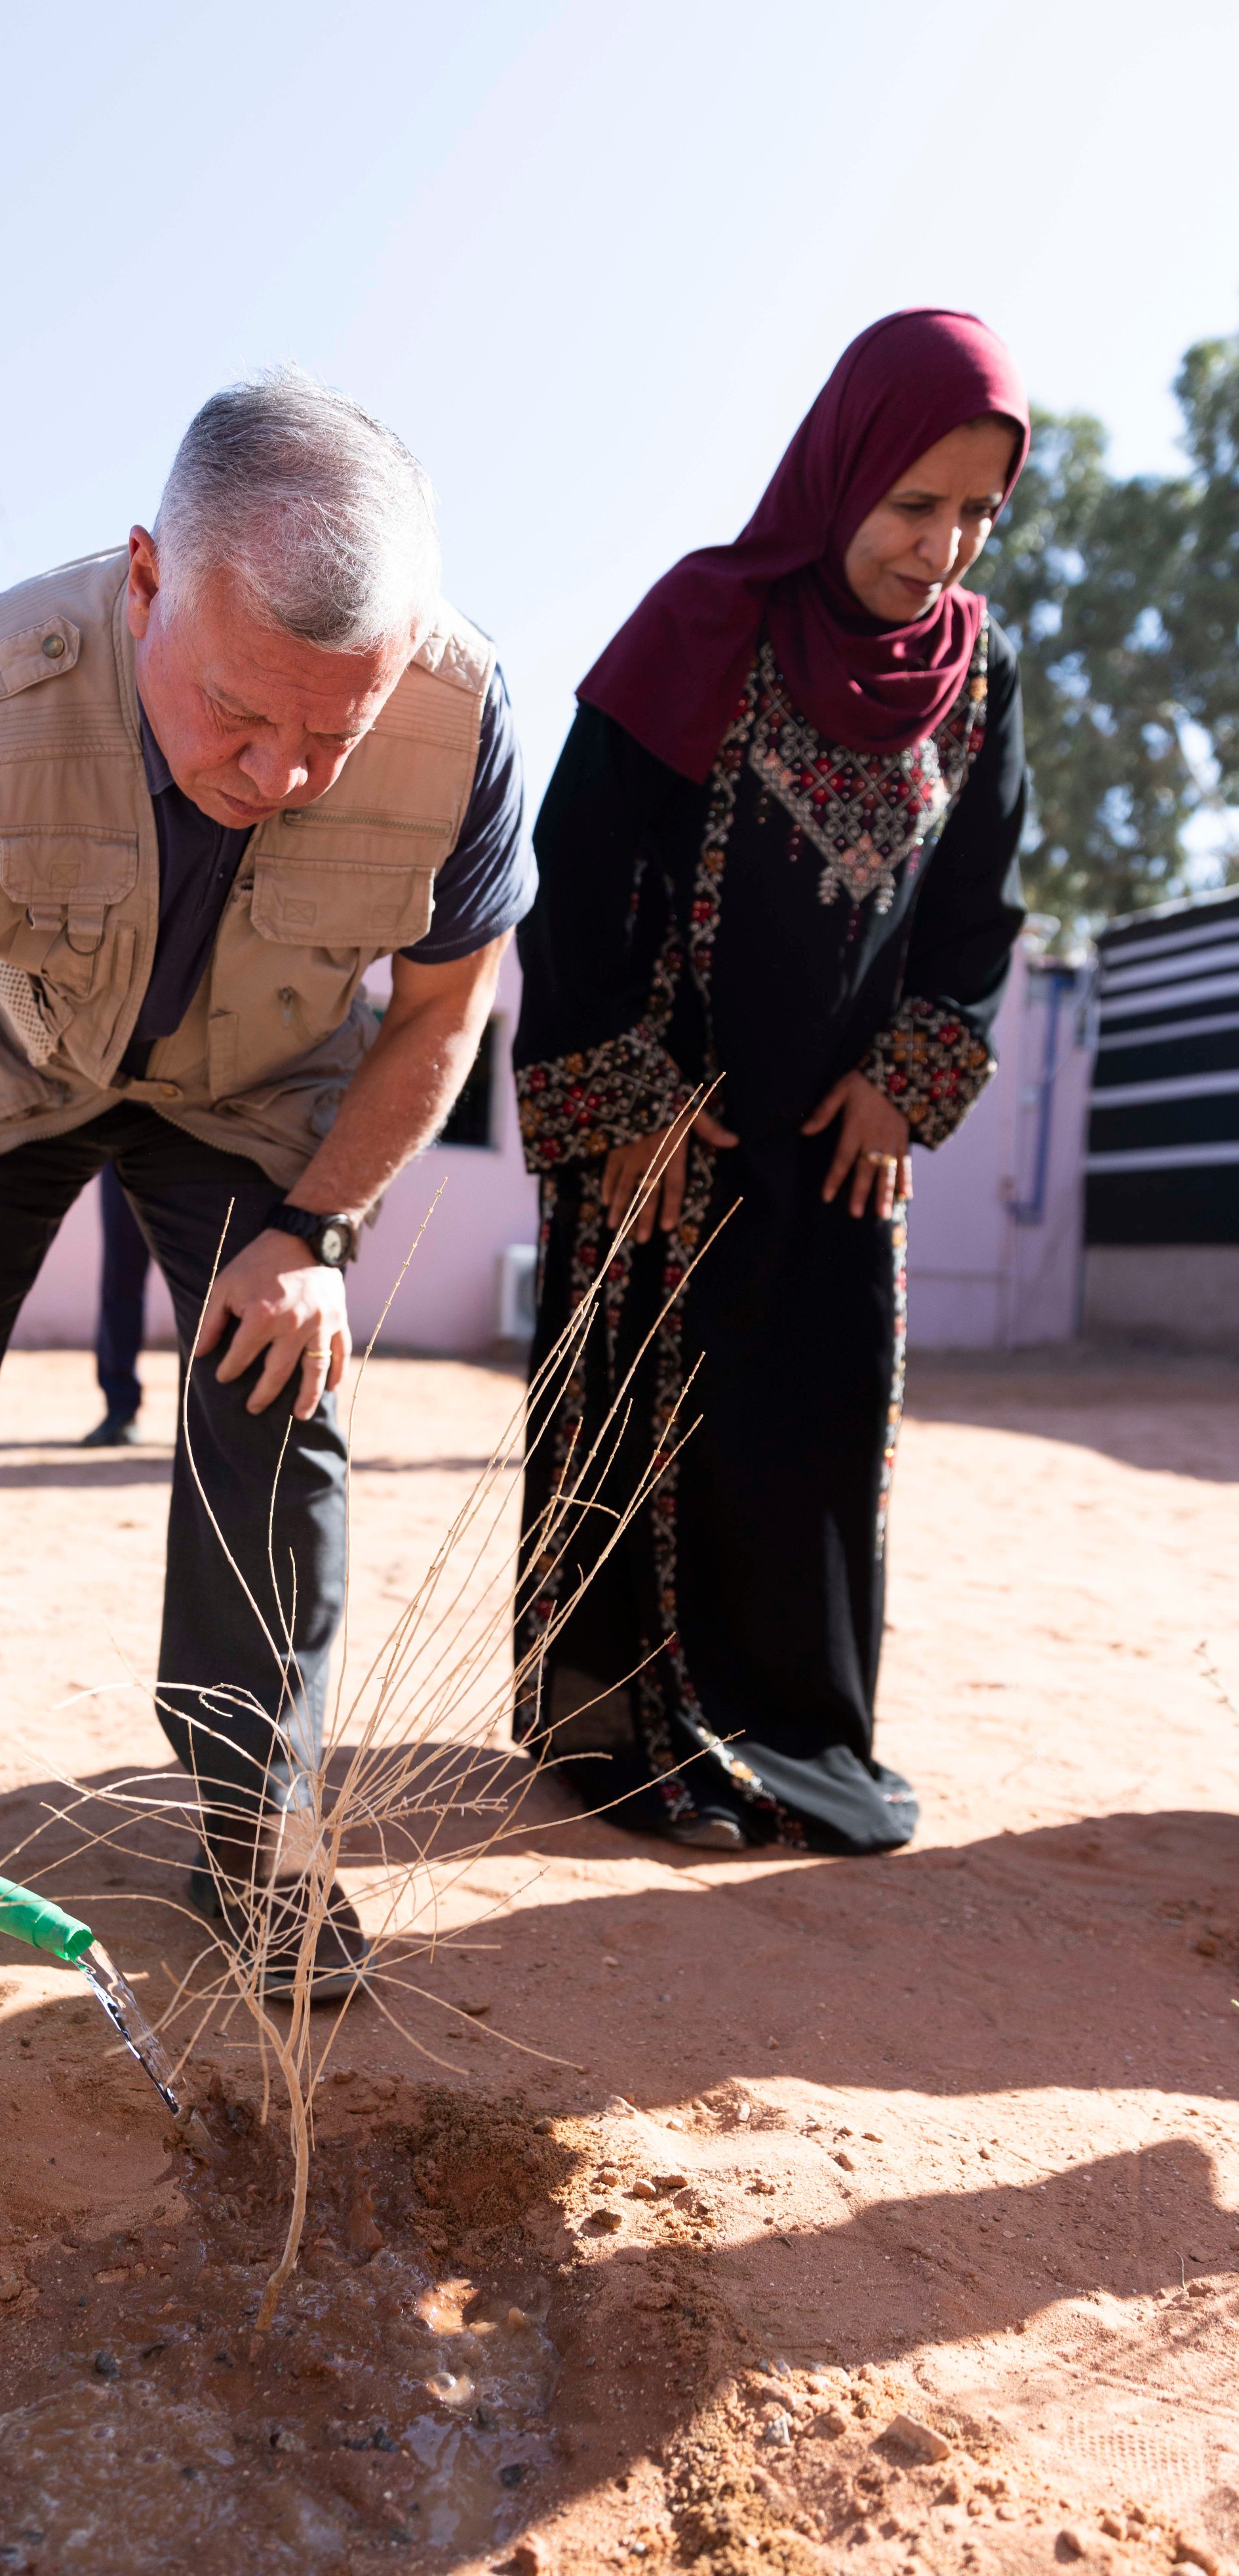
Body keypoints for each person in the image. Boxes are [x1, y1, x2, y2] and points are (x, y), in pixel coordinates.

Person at [0, 370, 533, 1993]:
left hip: (257, 1093)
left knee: (278, 1385)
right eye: (237, 713)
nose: (283, 771)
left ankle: (255, 1831)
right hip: (0, 1068)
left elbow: (444, 1012)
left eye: (337, 729)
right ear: (142, 580)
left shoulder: (466, 725)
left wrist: (313, 1232)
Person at [513, 310, 1029, 1858]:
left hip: (840, 1144)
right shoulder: (706, 621)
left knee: (805, 1435)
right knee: (646, 1436)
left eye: (975, 515)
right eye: (912, 505)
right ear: (839, 472)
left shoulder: (981, 676)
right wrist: (617, 1102)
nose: (940, 547)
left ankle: (795, 1734)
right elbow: (578, 872)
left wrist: (909, 1084)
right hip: (671, 1134)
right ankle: (617, 1739)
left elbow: (980, 910)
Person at [83, 1163, 151, 1447]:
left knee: (207, 1287)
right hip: (124, 1146)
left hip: (199, 1140)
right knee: (120, 1281)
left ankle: (206, 1426)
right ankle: (120, 1411)